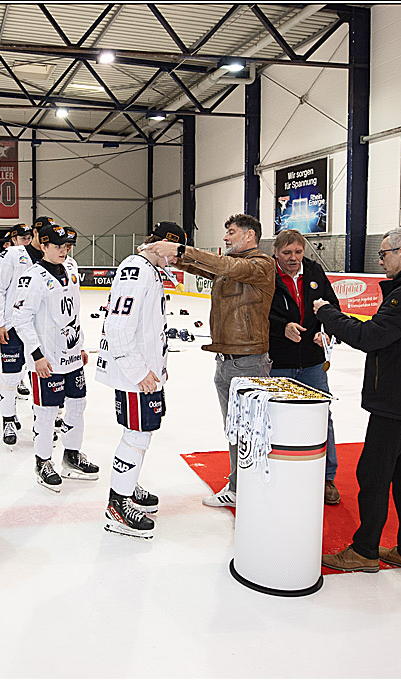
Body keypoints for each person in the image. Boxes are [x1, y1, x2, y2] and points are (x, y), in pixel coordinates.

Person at [314, 227, 401, 578]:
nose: (381, 260)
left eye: (385, 253)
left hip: (397, 401)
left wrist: (327, 313)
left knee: (373, 475)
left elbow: (370, 336)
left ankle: (364, 550)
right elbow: (387, 335)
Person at [144, 213, 275, 508]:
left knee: (250, 429)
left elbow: (226, 265)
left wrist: (180, 250)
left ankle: (253, 488)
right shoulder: (234, 268)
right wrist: (174, 259)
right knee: (235, 428)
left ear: (249, 236)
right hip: (227, 358)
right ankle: (240, 487)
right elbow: (206, 268)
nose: (225, 238)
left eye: (231, 232)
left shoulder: (260, 265)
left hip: (249, 360)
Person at [96, 221, 184, 537]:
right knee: (136, 434)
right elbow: (119, 326)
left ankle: (127, 486)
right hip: (135, 376)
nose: (177, 258)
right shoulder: (137, 269)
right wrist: (138, 371)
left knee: (141, 433)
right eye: (175, 251)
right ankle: (117, 504)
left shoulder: (147, 269)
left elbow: (151, 327)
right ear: (162, 244)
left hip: (146, 372)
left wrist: (159, 366)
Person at [10, 218, 99, 492]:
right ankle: (43, 461)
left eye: (68, 246)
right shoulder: (33, 277)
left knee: (77, 406)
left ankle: (71, 456)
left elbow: (74, 312)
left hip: (72, 354)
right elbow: (21, 318)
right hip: (47, 359)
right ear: (44, 245)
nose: (64, 250)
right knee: (47, 412)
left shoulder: (70, 270)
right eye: (59, 246)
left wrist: (81, 345)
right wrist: (36, 355)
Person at [268, 229, 342, 505]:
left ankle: (326, 477)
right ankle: (277, 473)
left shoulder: (314, 272)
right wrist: (281, 327)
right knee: (276, 419)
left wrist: (326, 332)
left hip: (312, 362)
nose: (293, 258)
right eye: (287, 253)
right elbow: (258, 313)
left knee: (322, 416)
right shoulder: (267, 275)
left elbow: (332, 307)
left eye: (298, 252)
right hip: (278, 362)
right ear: (276, 252)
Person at [0, 222, 42, 443]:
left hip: (38, 330)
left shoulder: (54, 258)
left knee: (38, 376)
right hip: (12, 327)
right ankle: (8, 419)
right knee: (9, 377)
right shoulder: (11, 255)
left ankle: (41, 419)